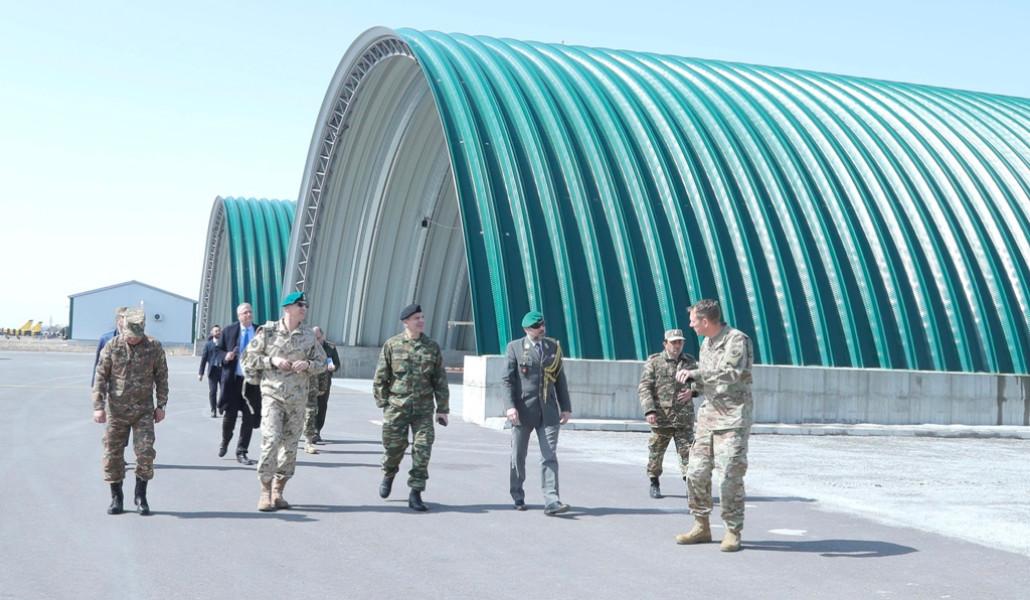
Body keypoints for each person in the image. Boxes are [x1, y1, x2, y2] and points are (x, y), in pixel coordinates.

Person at [674, 299, 754, 552]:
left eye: (693, 321)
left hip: (732, 419)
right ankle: (701, 526)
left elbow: (731, 373)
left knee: (729, 475)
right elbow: (708, 380)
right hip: (708, 418)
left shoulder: (736, 340)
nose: (691, 325)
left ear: (705, 321)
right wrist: (693, 389)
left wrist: (695, 374)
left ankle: (732, 530)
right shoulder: (705, 344)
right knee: (695, 472)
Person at [242, 291, 326, 511]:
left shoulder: (308, 336)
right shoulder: (268, 332)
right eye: (300, 305)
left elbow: (323, 363)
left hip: (297, 400)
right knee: (271, 440)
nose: (304, 309)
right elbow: (247, 359)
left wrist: (308, 365)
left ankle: (278, 491)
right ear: (287, 308)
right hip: (273, 396)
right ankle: (265, 492)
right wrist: (272, 360)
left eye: (305, 305)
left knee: (289, 447)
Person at [372, 303, 449, 512]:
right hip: (396, 408)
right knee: (394, 449)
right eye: (416, 318)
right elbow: (380, 377)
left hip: (423, 410)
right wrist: (384, 404)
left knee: (422, 449)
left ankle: (416, 492)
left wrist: (443, 409)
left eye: (422, 317)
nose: (421, 321)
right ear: (406, 322)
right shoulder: (392, 344)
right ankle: (389, 474)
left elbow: (440, 380)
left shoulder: (431, 347)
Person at [91, 308, 168, 516]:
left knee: (145, 453)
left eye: (136, 336)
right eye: (129, 335)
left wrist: (161, 405)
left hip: (143, 411)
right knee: (112, 454)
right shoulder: (112, 346)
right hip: (117, 411)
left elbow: (161, 376)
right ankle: (116, 497)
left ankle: (141, 495)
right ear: (123, 328)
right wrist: (98, 406)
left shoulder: (154, 347)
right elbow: (100, 376)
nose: (132, 339)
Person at [503, 310, 572, 515]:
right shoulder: (515, 347)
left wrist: (566, 407)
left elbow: (560, 379)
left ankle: (552, 501)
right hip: (523, 411)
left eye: (542, 325)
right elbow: (507, 380)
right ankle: (517, 494)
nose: (541, 329)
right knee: (518, 455)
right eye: (536, 327)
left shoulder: (553, 347)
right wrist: (510, 407)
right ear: (527, 329)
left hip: (548, 412)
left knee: (549, 455)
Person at [638, 328, 697, 499]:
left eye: (680, 342)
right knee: (656, 453)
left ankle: (690, 486)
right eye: (674, 342)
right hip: (662, 417)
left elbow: (700, 381)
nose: (677, 345)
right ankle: (654, 482)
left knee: (689, 454)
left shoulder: (689, 361)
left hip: (683, 418)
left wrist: (692, 392)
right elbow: (645, 387)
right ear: (665, 344)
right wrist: (649, 410)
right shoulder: (655, 361)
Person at [215, 303, 262, 464]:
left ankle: (241, 451)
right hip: (233, 381)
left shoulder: (260, 331)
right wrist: (226, 356)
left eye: (250, 312)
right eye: (245, 312)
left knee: (249, 418)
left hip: (252, 383)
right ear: (239, 316)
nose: (249, 315)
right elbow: (217, 351)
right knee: (230, 417)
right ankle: (225, 441)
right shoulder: (229, 331)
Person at [303, 326, 340, 453]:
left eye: (318, 338)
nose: (316, 340)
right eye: (314, 337)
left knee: (322, 405)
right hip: (309, 380)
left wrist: (333, 367)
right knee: (308, 407)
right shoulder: (307, 345)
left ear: (322, 336)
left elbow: (337, 363)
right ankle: (308, 432)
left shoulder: (330, 347)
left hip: (324, 380)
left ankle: (316, 430)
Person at [198, 325, 223, 418]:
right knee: (213, 391)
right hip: (212, 371)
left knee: (224, 391)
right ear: (212, 333)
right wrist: (201, 373)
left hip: (223, 371)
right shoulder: (208, 345)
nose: (218, 332)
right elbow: (203, 359)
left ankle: (221, 406)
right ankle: (213, 410)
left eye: (219, 330)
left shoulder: (224, 343)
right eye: (216, 331)